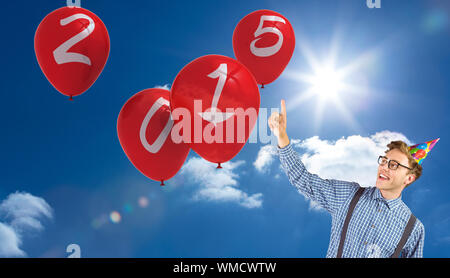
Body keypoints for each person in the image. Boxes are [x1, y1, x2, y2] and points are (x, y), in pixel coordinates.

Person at [268, 99, 439, 258]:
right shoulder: (349, 195)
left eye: (393, 165)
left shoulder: (414, 229)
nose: (384, 167)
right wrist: (281, 136)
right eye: (384, 160)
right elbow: (303, 180)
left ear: (409, 178)